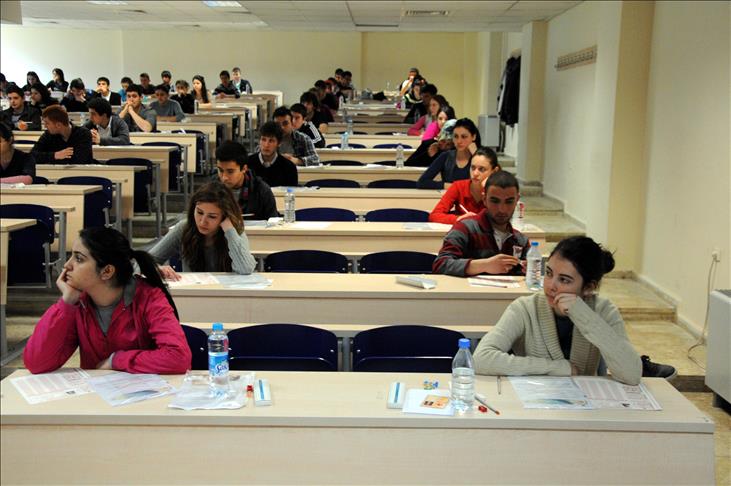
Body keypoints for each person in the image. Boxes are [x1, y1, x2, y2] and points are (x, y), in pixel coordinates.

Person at [23, 226, 191, 374]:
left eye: (79, 259)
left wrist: (116, 361)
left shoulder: (149, 298)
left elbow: (178, 357)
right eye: (71, 256)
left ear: (107, 271)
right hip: (95, 395)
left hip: (145, 394)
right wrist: (66, 303)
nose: (67, 265)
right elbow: (36, 363)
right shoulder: (78, 303)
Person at [149, 181, 256, 279]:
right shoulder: (184, 228)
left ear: (224, 217)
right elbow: (145, 261)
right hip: (193, 291)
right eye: (199, 212)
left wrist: (229, 230)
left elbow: (246, 269)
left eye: (212, 216)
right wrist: (158, 268)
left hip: (227, 292)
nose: (202, 222)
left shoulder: (234, 230)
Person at [433, 170, 528, 276]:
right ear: (484, 199)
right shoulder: (465, 228)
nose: (502, 209)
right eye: (494, 201)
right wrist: (484, 265)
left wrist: (529, 270)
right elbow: (440, 264)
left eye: (509, 202)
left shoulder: (520, 240)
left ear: (517, 200)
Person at [429, 147, 501, 225]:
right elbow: (434, 215)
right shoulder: (459, 186)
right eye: (473, 168)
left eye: (482, 169)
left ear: (494, 171)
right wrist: (459, 219)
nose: (475, 173)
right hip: (462, 231)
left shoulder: (500, 191)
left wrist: (488, 191)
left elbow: (500, 220)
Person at [215, 140, 278, 220]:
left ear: (244, 169)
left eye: (230, 172)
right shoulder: (211, 189)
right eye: (220, 170)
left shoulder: (261, 191)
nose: (224, 177)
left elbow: (273, 222)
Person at [417, 117, 480, 189]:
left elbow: (488, 183)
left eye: (464, 137)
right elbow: (422, 182)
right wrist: (453, 186)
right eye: (456, 136)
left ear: (473, 137)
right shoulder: (446, 156)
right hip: (449, 195)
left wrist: (476, 155)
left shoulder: (482, 156)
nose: (459, 141)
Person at [247, 121, 298, 187]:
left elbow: (292, 191)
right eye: (263, 140)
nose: (266, 145)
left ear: (279, 143)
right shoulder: (248, 163)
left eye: (271, 141)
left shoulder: (289, 167)